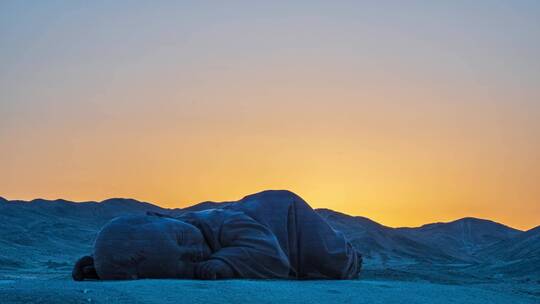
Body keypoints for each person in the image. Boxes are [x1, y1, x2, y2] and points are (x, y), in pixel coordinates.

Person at [72, 190, 362, 281]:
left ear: (162, 218)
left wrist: (226, 263)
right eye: (183, 264)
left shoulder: (224, 224)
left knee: (335, 260)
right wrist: (104, 264)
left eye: (183, 241)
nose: (194, 253)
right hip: (269, 218)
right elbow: (143, 263)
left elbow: (269, 254)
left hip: (288, 218)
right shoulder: (161, 240)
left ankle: (356, 256)